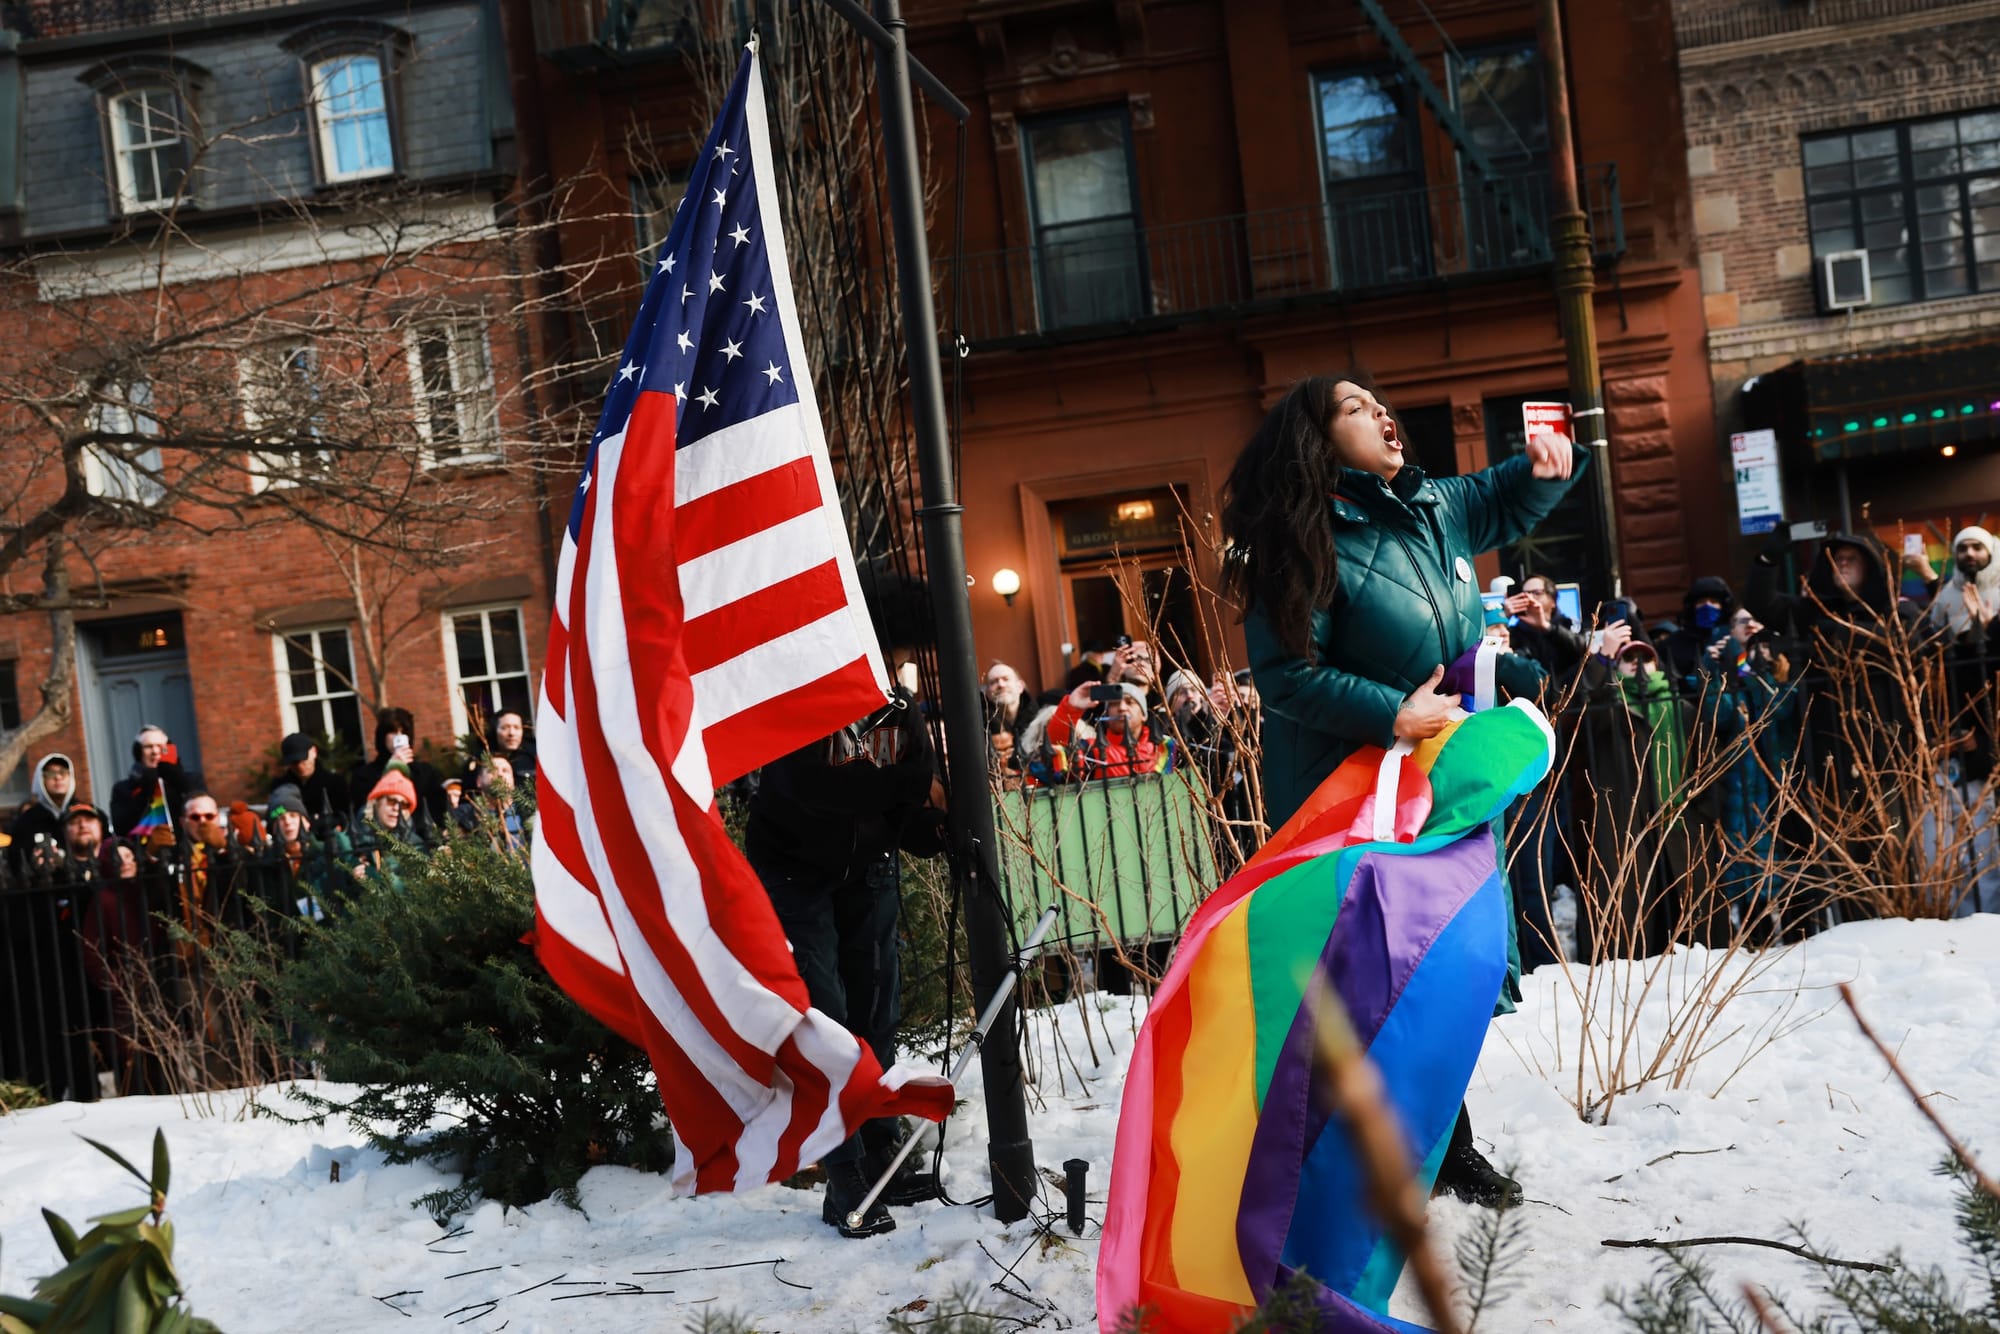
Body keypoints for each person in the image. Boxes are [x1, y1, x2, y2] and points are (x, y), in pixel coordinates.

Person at [1222, 372, 1585, 1210]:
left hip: (1440, 786)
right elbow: (1286, 677)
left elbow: (1505, 495)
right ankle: (1380, 1157)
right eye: (1354, 407)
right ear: (1315, 439)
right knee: (1374, 975)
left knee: (1441, 964)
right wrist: (1394, 712)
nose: (1381, 412)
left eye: (1378, 402)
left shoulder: (1433, 505)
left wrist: (1545, 467)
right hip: (1345, 793)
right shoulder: (1295, 539)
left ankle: (1433, 1143)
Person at [745, 674, 944, 1238]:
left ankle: (880, 1153)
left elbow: (904, 793)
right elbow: (811, 786)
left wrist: (931, 829)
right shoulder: (794, 697)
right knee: (824, 1020)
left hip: (868, 866)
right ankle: (845, 1175)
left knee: (877, 1007)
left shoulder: (897, 705)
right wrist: (900, 783)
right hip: (794, 872)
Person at [1695, 609, 1802, 931]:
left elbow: (1780, 709)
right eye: (1742, 621)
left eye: (1756, 621)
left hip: (1778, 778)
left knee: (1783, 850)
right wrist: (1716, 668)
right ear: (1729, 631)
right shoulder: (1721, 666)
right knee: (1742, 850)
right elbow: (1718, 715)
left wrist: (1756, 669)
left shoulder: (1777, 663)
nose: (1751, 626)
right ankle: (1753, 926)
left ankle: (1796, 926)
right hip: (1738, 779)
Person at [1046, 680, 1171, 781]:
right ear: (1106, 715)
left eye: (1129, 702)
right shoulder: (1091, 750)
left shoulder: (1165, 747)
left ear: (1144, 715)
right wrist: (1071, 707)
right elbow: (1054, 750)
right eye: (1115, 703)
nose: (1122, 708)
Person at [349, 709, 449, 826]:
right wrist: (391, 769)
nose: (399, 737)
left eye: (403, 732)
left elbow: (439, 809)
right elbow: (365, 809)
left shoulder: (426, 773)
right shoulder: (363, 775)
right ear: (383, 736)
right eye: (393, 732)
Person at [109, 725, 204, 835]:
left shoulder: (193, 779)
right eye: (148, 747)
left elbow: (203, 812)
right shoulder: (123, 789)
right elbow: (121, 827)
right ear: (138, 752)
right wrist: (144, 789)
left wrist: (178, 779)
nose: (155, 751)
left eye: (160, 746)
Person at [1660, 577, 1738, 688]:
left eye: (1714, 601)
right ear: (1692, 607)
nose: (1707, 606)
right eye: (1701, 602)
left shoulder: (1735, 636)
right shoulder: (1673, 644)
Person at [8, 753, 78, 869]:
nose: (58, 778)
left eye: (63, 772)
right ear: (40, 779)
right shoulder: (27, 820)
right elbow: (16, 859)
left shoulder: (86, 813)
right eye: (51, 773)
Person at [274, 733, 352, 830]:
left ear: (314, 752)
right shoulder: (280, 786)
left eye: (303, 760)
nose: (299, 766)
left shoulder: (335, 783)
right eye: (294, 762)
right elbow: (274, 813)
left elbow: (345, 817)